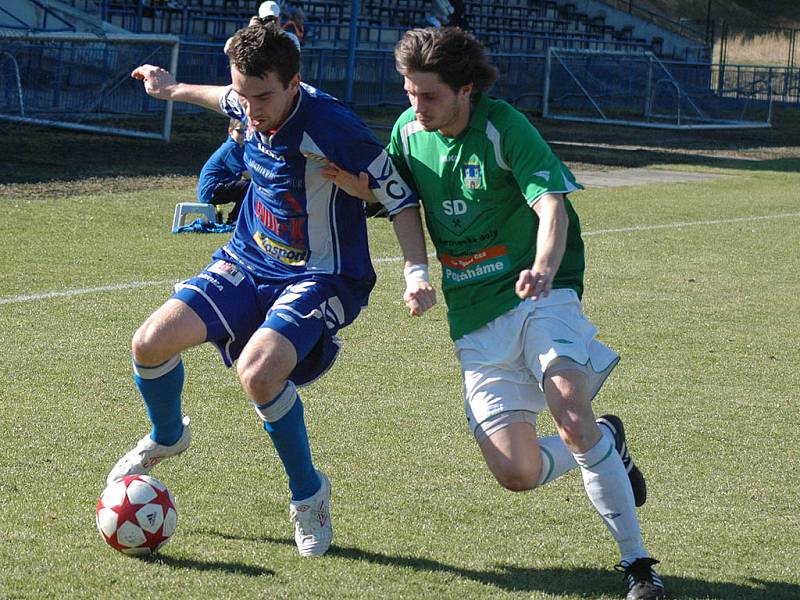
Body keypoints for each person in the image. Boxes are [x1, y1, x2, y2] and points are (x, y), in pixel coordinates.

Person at [322, 27, 664, 600]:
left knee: (570, 413)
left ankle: (638, 564)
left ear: (466, 88)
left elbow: (550, 204)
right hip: (474, 315)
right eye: (409, 92)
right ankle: (609, 441)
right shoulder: (409, 131)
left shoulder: (504, 127)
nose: (416, 106)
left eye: (428, 95)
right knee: (518, 473)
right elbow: (400, 202)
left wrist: (545, 268)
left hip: (538, 295)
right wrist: (409, 261)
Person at [107, 18, 436, 557]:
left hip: (323, 274)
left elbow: (399, 199)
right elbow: (221, 98)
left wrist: (415, 272)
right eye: (245, 95)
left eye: (263, 97)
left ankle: (308, 495)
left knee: (257, 373)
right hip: (249, 257)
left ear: (293, 81)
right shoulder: (244, 101)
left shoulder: (335, 126)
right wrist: (171, 89)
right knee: (149, 342)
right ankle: (168, 436)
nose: (251, 111)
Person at [196, 118, 248, 225]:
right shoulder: (231, 148)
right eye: (239, 131)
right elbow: (247, 174)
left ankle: (238, 218)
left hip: (216, 188)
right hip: (211, 191)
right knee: (250, 186)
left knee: (249, 186)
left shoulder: (240, 147)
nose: (243, 134)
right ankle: (234, 220)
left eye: (246, 131)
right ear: (230, 131)